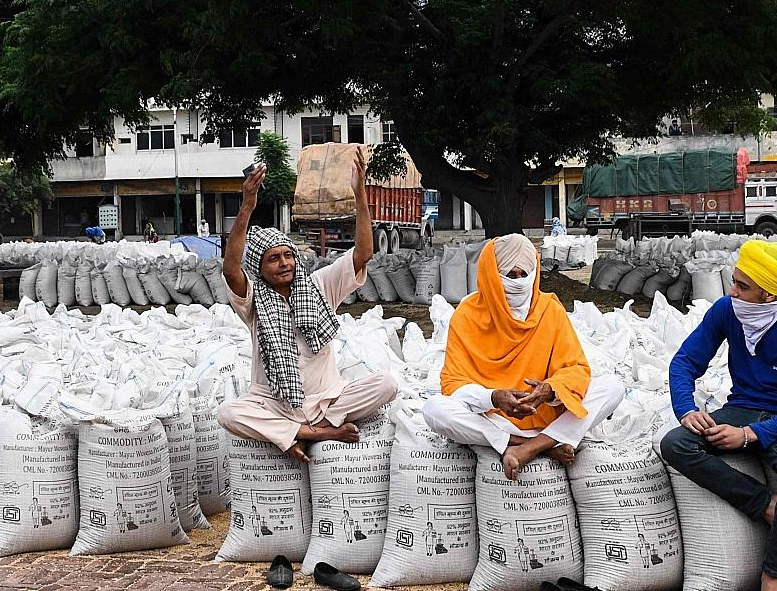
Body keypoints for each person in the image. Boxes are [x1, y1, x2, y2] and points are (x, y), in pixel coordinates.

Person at [658, 240, 777, 591]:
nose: (732, 291)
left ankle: (773, 575)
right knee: (676, 444)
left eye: (742, 286)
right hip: (742, 406)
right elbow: (683, 363)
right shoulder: (726, 311)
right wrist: (686, 410)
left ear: (768, 292)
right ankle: (766, 505)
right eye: (733, 282)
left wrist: (748, 435)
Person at [217, 148, 397, 463]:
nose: (284, 263)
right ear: (260, 268)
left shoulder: (317, 285)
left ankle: (302, 430)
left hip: (329, 400)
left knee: (387, 384)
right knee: (228, 413)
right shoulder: (253, 300)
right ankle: (317, 433)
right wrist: (247, 206)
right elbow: (231, 270)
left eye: (288, 255)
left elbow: (363, 252)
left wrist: (359, 194)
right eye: (273, 259)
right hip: (274, 404)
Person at [423, 233, 624, 478]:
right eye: (510, 275)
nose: (518, 283)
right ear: (491, 275)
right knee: (435, 409)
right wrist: (494, 398)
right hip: (496, 420)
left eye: (524, 275)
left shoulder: (549, 308)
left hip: (548, 416)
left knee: (612, 387)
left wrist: (550, 390)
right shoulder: (467, 314)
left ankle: (531, 447)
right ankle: (537, 444)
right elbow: (453, 384)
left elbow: (575, 368)